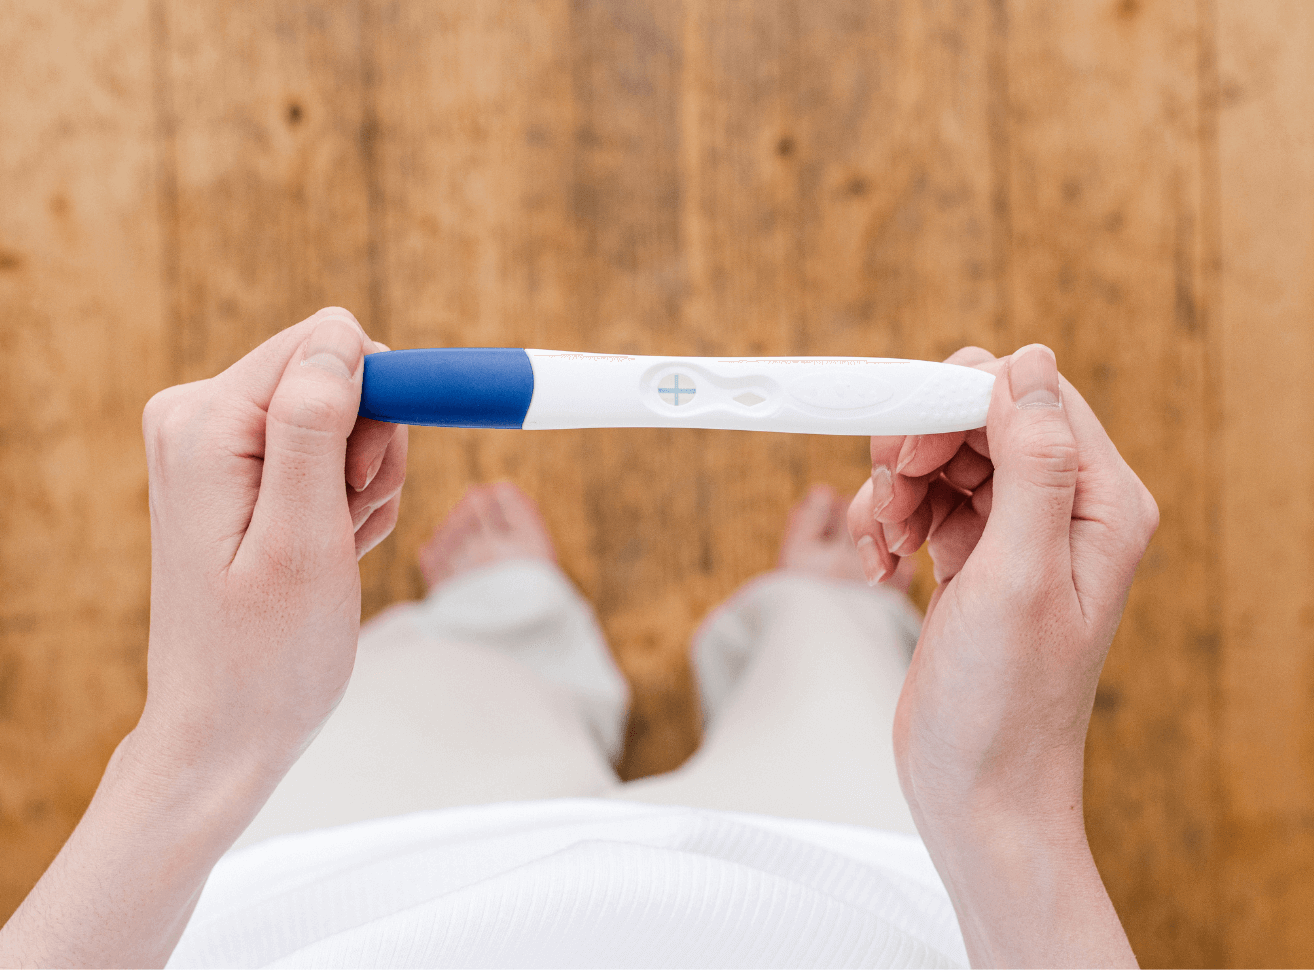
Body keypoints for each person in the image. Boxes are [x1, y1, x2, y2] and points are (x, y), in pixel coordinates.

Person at [0, 307, 1156, 968]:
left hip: (343, 876)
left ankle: (503, 626)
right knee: (838, 657)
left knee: (433, 670)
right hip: (884, 890)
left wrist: (202, 744)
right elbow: (991, 814)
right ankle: (826, 609)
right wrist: (1006, 813)